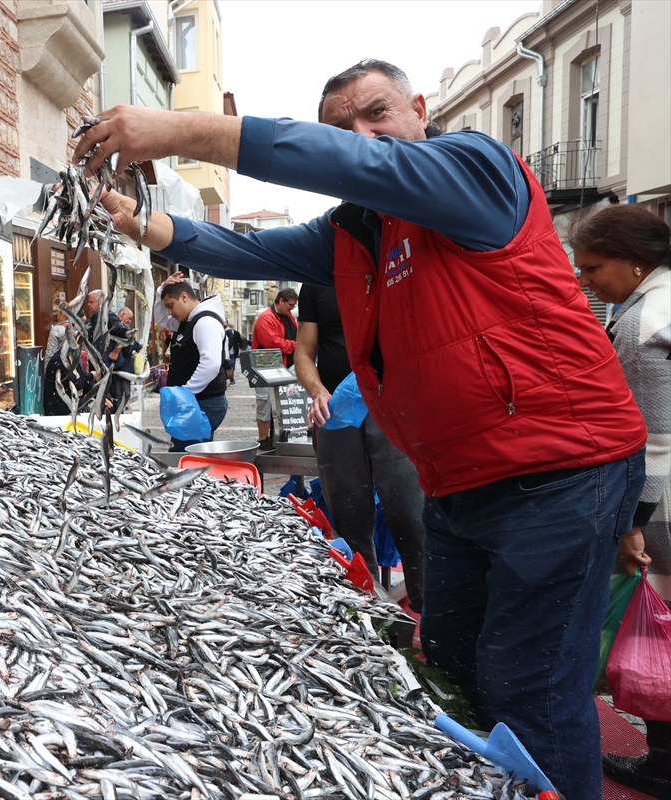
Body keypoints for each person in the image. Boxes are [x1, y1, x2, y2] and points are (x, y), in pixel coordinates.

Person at [76, 59, 647, 799]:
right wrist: (143, 224)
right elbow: (252, 252)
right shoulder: (355, 231)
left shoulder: (473, 170)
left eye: (376, 113)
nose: (362, 135)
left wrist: (178, 130)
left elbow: (353, 160)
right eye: (341, 126)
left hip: (560, 470)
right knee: (449, 657)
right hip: (459, 478)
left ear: (419, 108)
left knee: (530, 685)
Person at [570, 204, 671, 799]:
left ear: (635, 263)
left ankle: (662, 763)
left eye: (594, 267)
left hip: (665, 503)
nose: (586, 280)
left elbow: (656, 441)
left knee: (662, 620)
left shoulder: (643, 322)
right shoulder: (654, 300)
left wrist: (633, 524)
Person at [296, 283, 426, 613]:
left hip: (395, 407)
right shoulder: (315, 282)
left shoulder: (394, 266)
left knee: (411, 517)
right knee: (348, 520)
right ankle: (362, 616)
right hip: (336, 414)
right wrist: (318, 392)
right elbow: (304, 352)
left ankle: (431, 617)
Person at [155, 273, 228, 451]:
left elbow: (210, 364)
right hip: (197, 401)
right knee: (190, 454)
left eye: (171, 306)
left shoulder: (205, 322)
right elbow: (161, 320)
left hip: (203, 402)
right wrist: (160, 291)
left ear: (184, 297)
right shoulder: (189, 320)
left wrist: (185, 392)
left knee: (185, 455)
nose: (169, 312)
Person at [251, 288, 298, 449]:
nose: (292, 308)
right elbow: (274, 343)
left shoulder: (288, 316)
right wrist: (296, 345)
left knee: (282, 403)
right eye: (290, 305)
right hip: (265, 368)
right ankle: (263, 439)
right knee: (264, 403)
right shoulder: (266, 318)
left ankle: (278, 436)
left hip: (283, 367)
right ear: (281, 301)